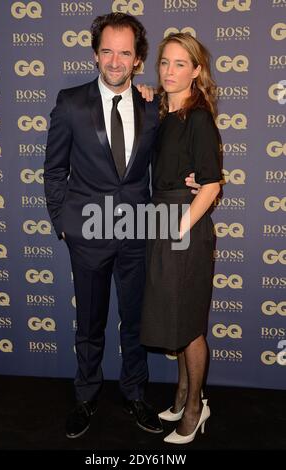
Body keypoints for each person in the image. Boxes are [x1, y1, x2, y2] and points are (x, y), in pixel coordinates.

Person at [44, 12, 198, 439]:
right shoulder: (71, 102)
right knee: (89, 324)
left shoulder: (153, 105)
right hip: (87, 236)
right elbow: (54, 171)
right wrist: (64, 225)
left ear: (137, 59)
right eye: (107, 51)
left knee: (135, 322)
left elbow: (169, 161)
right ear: (95, 55)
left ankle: (135, 393)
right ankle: (86, 396)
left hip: (136, 233)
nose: (115, 61)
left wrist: (190, 178)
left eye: (125, 53)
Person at [140, 32, 222, 444]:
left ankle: (195, 407)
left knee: (190, 325)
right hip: (163, 219)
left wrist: (178, 228)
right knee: (176, 315)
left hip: (183, 227)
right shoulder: (162, 112)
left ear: (196, 70)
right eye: (164, 63)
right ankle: (181, 392)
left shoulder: (199, 117)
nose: (170, 71)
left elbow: (211, 185)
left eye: (180, 64)